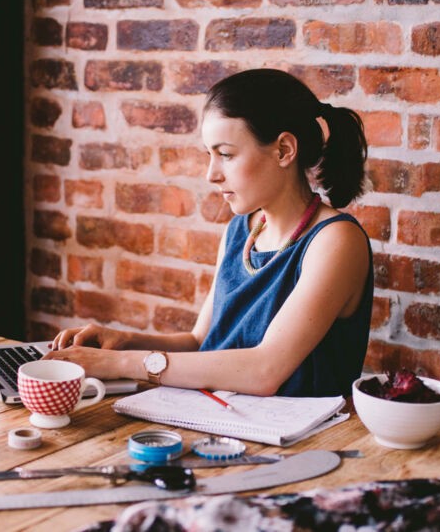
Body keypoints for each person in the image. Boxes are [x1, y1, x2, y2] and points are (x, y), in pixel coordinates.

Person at [46, 68, 373, 398]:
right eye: (209, 155)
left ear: (284, 150)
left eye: (226, 155)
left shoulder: (336, 241)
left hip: (300, 442)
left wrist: (119, 365)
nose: (211, 174)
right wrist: (121, 343)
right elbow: (200, 342)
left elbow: (265, 370)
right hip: (216, 420)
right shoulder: (240, 232)